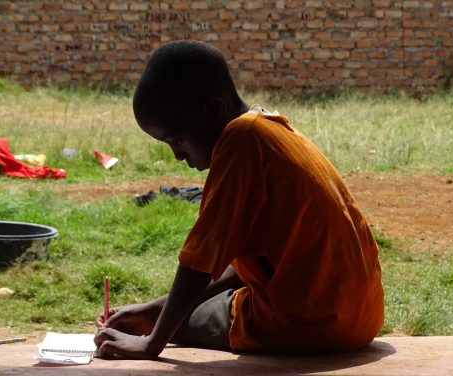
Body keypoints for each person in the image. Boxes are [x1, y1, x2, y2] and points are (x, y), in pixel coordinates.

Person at [94, 40, 384, 359]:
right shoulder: (272, 130)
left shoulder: (240, 140)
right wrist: (152, 308)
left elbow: (201, 262)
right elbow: (241, 267)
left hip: (309, 323)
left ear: (214, 110)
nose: (177, 155)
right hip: (359, 316)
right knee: (179, 310)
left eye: (176, 139)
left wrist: (152, 341)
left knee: (181, 320)